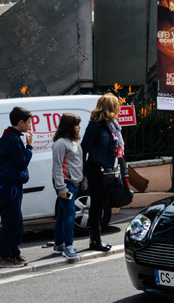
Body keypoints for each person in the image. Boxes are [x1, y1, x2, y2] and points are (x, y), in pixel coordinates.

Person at [81, 93, 124, 252]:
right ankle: (95, 240)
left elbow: (117, 150)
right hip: (97, 170)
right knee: (97, 206)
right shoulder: (96, 125)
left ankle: (97, 239)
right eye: (117, 105)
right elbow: (83, 148)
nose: (119, 108)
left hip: (109, 170)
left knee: (103, 205)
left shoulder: (113, 125)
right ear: (111, 107)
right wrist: (84, 173)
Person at [0, 107, 33, 268]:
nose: (30, 126)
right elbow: (22, 162)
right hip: (10, 185)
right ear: (21, 122)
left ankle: (13, 253)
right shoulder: (11, 140)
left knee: (17, 220)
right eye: (29, 122)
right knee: (11, 220)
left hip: (13, 184)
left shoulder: (12, 137)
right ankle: (4, 255)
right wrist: (29, 147)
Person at [52, 113, 87, 261]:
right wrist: (61, 188)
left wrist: (83, 180)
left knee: (63, 213)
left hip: (74, 183)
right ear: (69, 126)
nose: (79, 127)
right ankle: (68, 246)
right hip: (66, 184)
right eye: (77, 124)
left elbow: (79, 163)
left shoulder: (74, 142)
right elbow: (57, 167)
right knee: (69, 214)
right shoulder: (61, 143)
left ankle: (59, 244)